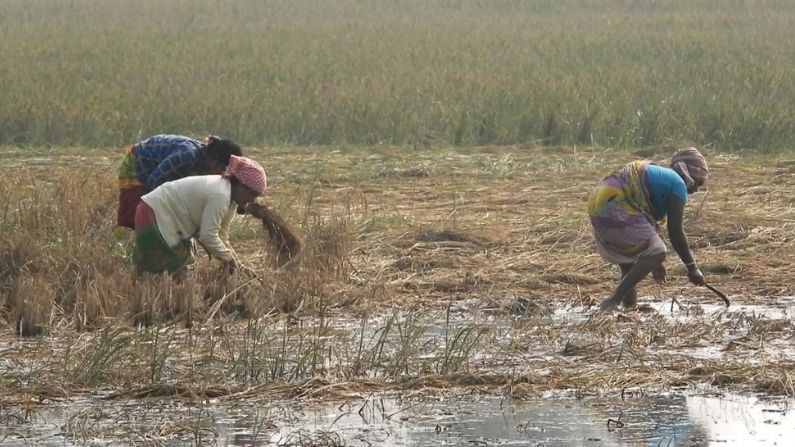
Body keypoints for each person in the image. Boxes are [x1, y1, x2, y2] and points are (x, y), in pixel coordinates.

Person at [587, 147, 709, 311]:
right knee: (659, 252)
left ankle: (629, 310)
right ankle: (613, 301)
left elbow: (647, 220)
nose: (696, 189)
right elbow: (675, 231)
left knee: (629, 266)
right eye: (699, 182)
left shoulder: (662, 176)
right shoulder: (678, 184)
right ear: (691, 173)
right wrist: (692, 268)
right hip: (617, 205)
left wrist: (655, 264)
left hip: (599, 202)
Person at [132, 155, 267, 277]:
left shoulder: (230, 199)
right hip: (155, 214)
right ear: (241, 186)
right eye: (252, 195)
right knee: (174, 275)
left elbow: (221, 234)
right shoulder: (220, 195)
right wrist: (229, 259)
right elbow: (207, 236)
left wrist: (235, 262)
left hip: (162, 216)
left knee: (177, 271)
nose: (252, 200)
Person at [117, 134, 243, 229]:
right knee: (135, 214)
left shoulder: (205, 166)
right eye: (223, 170)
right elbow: (153, 182)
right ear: (215, 161)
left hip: (163, 175)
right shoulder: (187, 155)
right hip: (140, 163)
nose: (222, 175)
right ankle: (120, 244)